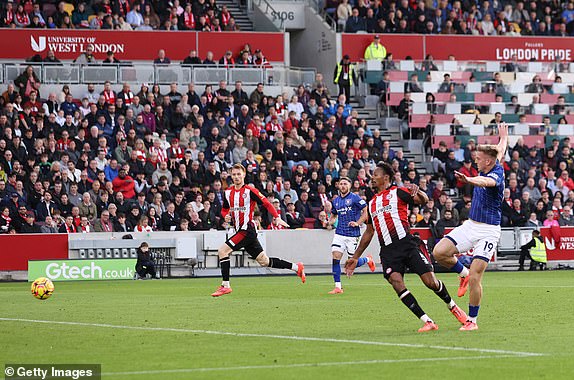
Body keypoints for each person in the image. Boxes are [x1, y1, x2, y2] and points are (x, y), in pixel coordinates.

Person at [345, 162, 467, 332]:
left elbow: (423, 201)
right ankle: (427, 321)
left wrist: (421, 193)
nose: (372, 178)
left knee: (430, 282)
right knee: (396, 282)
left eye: (376, 175)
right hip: (388, 250)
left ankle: (453, 306)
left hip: (407, 244)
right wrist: (356, 256)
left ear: (386, 177)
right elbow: (369, 232)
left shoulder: (398, 192)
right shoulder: (371, 203)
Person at [432, 123, 508, 331]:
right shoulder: (493, 159)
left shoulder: (495, 175)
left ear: (489, 161)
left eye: (479, 158)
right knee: (439, 252)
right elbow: (500, 149)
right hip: (471, 225)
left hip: (488, 231)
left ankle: (472, 321)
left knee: (477, 277)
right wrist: (503, 137)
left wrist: (469, 179)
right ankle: (462, 274)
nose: (476, 159)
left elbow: (485, 182)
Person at [212, 164, 306, 297]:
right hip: (239, 230)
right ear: (230, 176)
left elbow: (267, 203)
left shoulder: (250, 191)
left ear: (244, 174)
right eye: (234, 174)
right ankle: (297, 267)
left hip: (247, 229)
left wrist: (277, 217)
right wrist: (225, 216)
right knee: (264, 261)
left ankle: (225, 285)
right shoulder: (227, 192)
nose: (236, 177)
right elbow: (224, 210)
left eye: (239, 174)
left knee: (222, 251)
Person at [327, 177, 374, 294]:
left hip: (353, 234)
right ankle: (338, 287)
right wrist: (329, 222)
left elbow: (366, 210)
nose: (343, 186)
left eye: (345, 184)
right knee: (335, 257)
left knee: (351, 262)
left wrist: (358, 223)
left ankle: (368, 259)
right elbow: (333, 216)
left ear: (349, 185)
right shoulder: (336, 201)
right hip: (339, 233)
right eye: (341, 184)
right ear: (338, 186)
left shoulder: (355, 198)